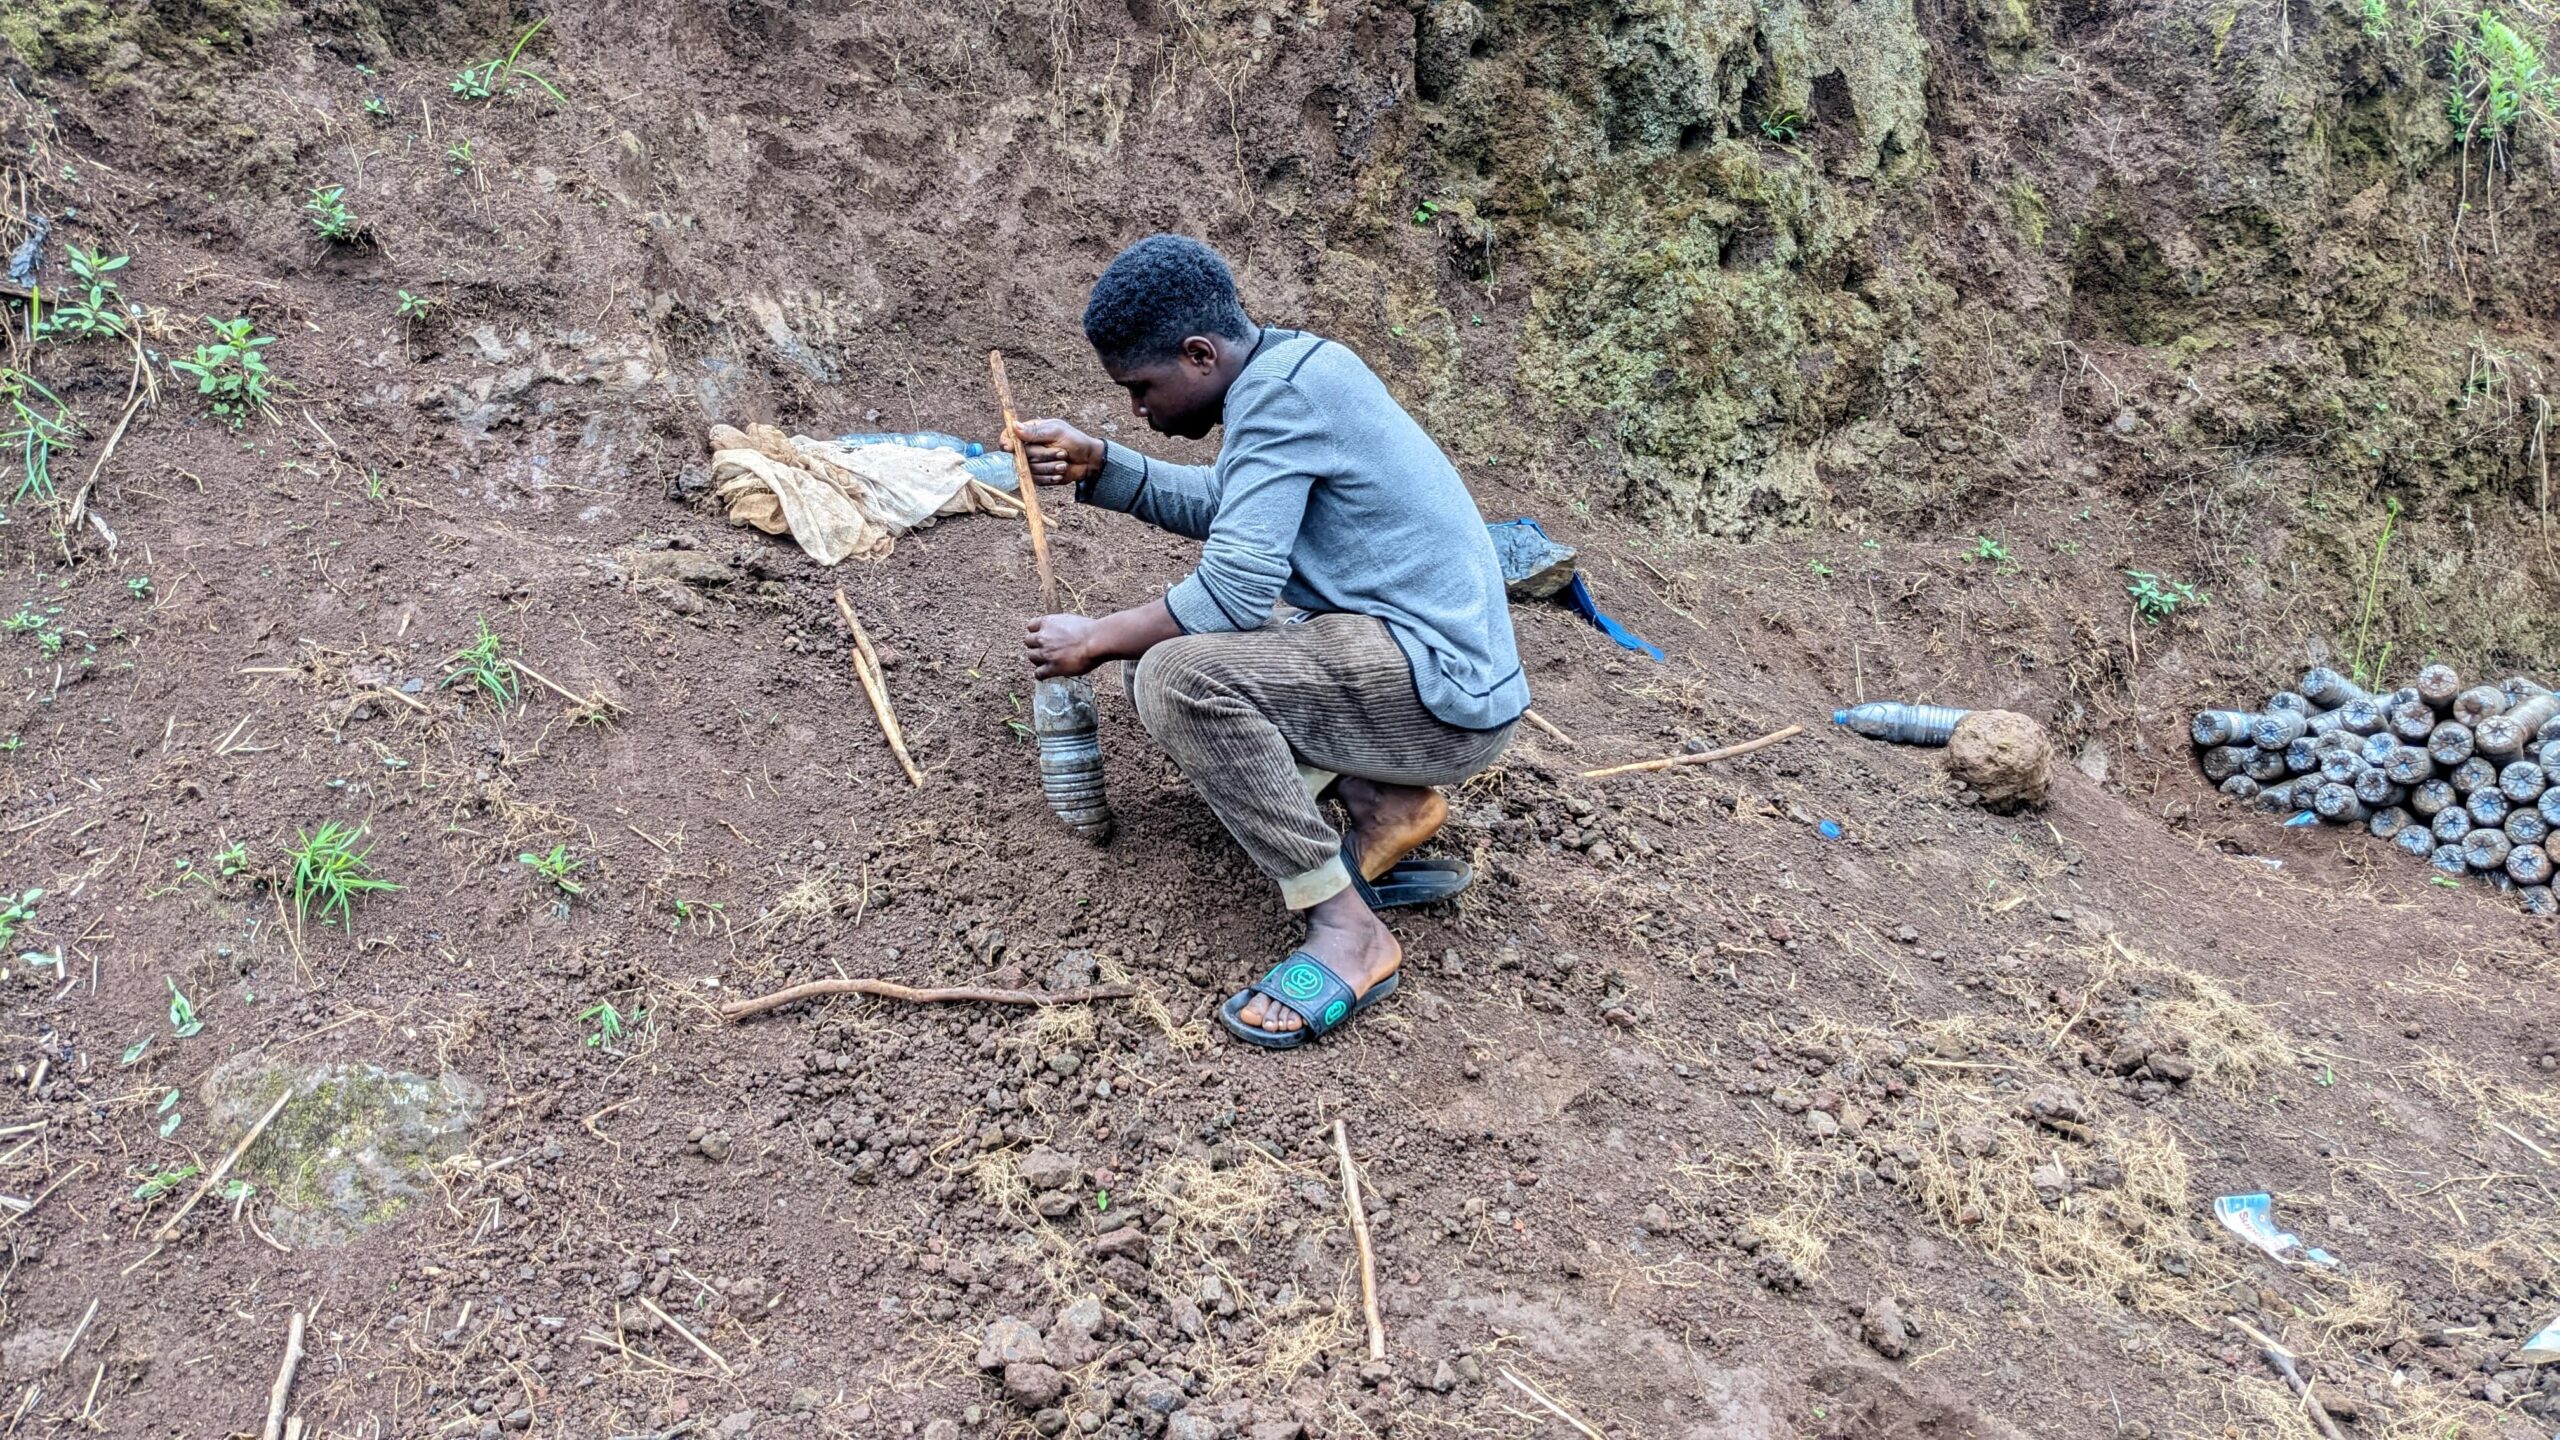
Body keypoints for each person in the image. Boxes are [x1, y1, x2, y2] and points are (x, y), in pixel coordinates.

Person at [1011, 234, 1526, 1048]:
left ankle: (1350, 933)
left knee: (1178, 675)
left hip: (1441, 696)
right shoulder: (1295, 371)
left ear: (1198, 354)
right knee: (1209, 651)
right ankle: (1384, 802)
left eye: (1142, 389)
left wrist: (1096, 639)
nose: (1139, 409)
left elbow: (1232, 593)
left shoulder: (1280, 400)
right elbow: (1234, 502)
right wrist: (1103, 464)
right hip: (1439, 672)